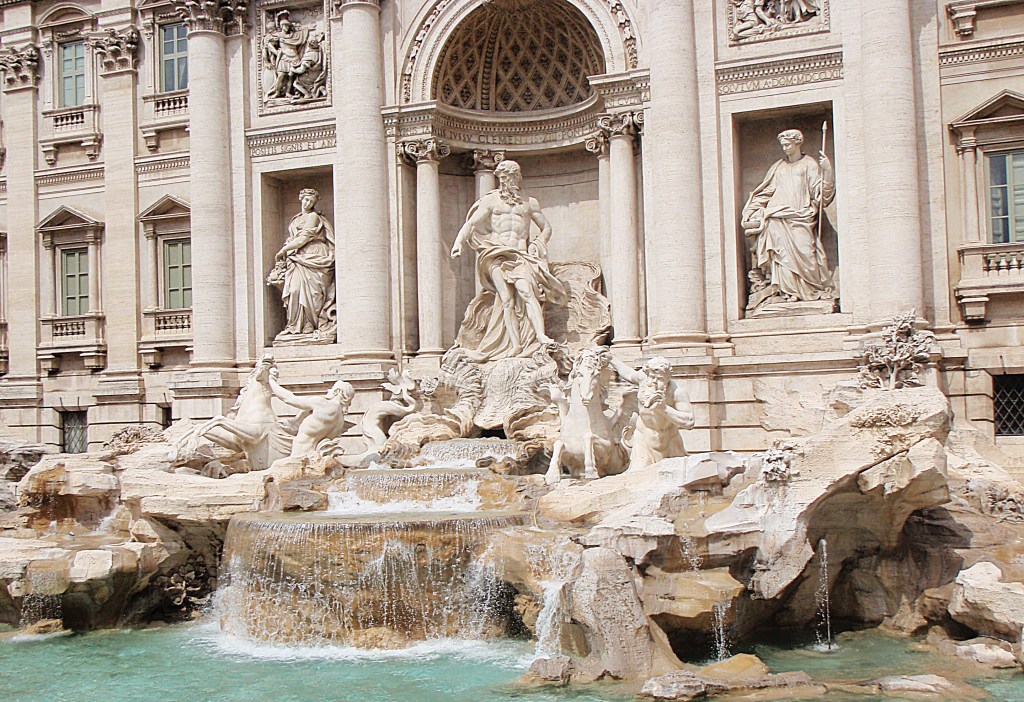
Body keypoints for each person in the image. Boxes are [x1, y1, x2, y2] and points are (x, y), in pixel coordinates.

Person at [450, 160, 568, 360]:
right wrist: (458, 242)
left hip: (520, 254)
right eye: (504, 177)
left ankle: (540, 335)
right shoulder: (491, 201)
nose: (508, 180)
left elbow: (546, 227)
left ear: (518, 177)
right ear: (499, 178)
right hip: (496, 252)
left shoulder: (530, 202)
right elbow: (471, 223)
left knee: (527, 292)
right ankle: (515, 345)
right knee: (506, 300)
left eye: (512, 176)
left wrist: (538, 242)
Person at [741, 128, 835, 305]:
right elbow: (765, 192)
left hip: (801, 216)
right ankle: (787, 292)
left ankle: (811, 289)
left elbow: (821, 195)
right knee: (781, 257)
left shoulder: (809, 164)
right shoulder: (778, 167)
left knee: (806, 252)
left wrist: (827, 171)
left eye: (787, 145)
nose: (784, 148)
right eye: (782, 145)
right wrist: (752, 211)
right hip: (776, 217)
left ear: (797, 143)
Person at [267, 188, 336, 343]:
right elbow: (294, 238)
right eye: (305, 200)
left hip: (314, 254)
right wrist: (288, 248)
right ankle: (294, 327)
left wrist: (284, 250)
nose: (307, 203)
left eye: (311, 201)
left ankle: (309, 326)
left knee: (313, 293)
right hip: (297, 256)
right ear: (300, 198)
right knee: (294, 290)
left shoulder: (313, 217)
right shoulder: (295, 219)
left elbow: (304, 237)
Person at [610, 356, 695, 471]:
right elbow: (627, 373)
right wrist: (611, 358)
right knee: (638, 475)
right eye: (651, 377)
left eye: (659, 378)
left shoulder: (677, 392)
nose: (653, 381)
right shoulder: (643, 379)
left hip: (670, 441)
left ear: (668, 377)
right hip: (643, 439)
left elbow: (689, 421)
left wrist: (665, 409)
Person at [268, 377, 355, 457]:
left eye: (332, 388)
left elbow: (289, 398)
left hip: (300, 457)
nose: (329, 390)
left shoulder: (323, 404)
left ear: (337, 392)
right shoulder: (340, 420)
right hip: (313, 457)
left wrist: (271, 381)